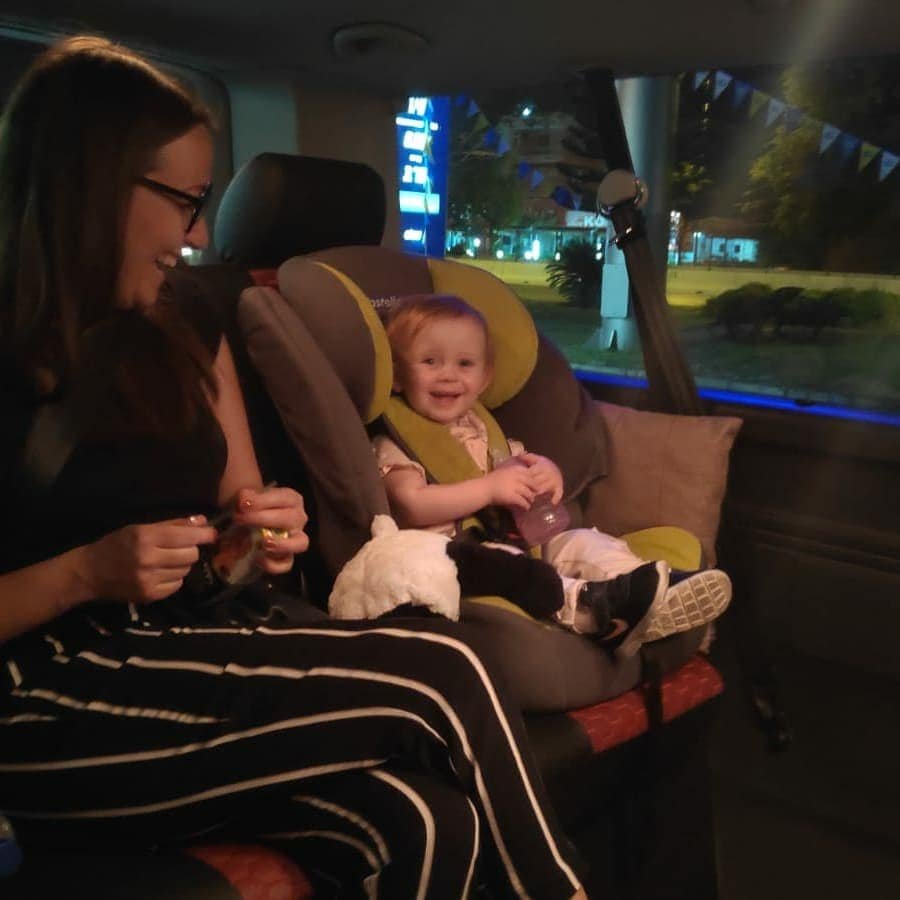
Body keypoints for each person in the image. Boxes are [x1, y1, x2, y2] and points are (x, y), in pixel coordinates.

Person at [0, 36, 590, 899]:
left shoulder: (189, 319)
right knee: (448, 668)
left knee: (425, 820)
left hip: (189, 643)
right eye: (185, 202)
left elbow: (241, 520)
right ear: (93, 184)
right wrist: (84, 573)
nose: (199, 233)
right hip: (42, 695)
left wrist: (262, 537)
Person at [374, 294, 732, 656]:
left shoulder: (481, 428)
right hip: (458, 558)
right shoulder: (398, 441)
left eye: (465, 363)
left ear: (484, 378)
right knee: (511, 565)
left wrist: (546, 474)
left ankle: (651, 588)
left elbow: (518, 467)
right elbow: (410, 503)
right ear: (399, 376)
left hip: (518, 541)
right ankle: (589, 611)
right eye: (430, 362)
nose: (448, 375)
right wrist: (488, 489)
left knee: (583, 541)